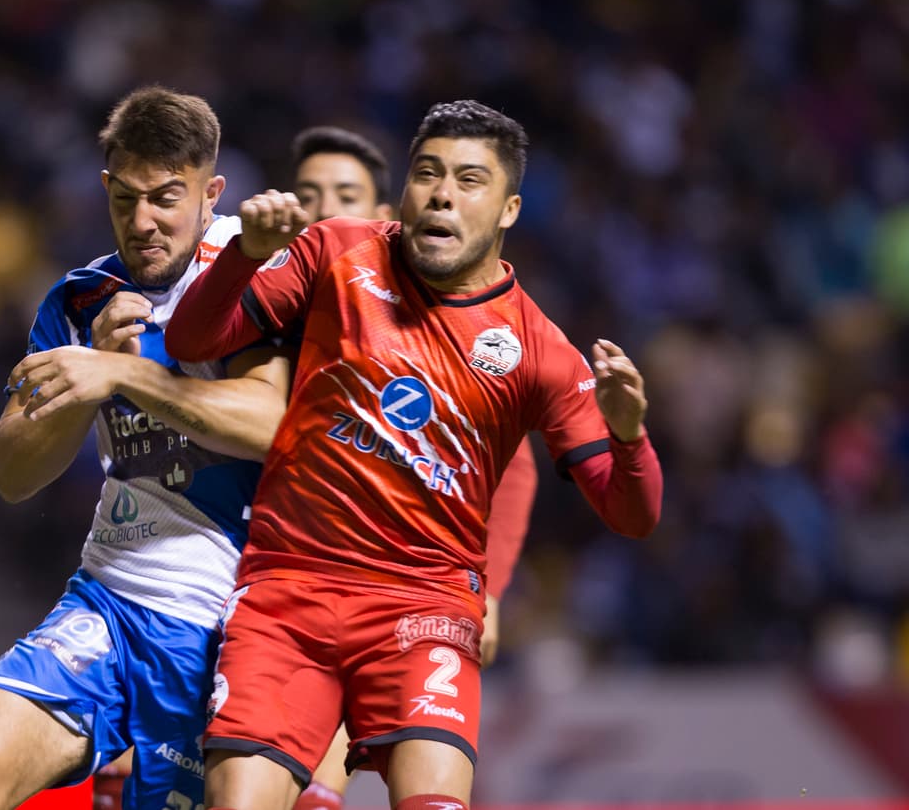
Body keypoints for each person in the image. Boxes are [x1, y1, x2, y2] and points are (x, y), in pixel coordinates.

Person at [166, 99, 663, 810]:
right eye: (427, 173)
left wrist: (629, 432)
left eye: (468, 180)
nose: (441, 193)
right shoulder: (336, 252)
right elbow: (191, 340)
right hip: (288, 592)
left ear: (509, 209)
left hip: (422, 607)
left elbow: (631, 511)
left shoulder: (541, 351)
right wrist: (244, 255)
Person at [0, 86, 294, 810]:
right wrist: (88, 377)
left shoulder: (253, 273)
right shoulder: (81, 298)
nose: (144, 221)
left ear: (212, 192)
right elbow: (10, 470)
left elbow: (271, 421)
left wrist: (127, 373)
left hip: (228, 632)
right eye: (125, 199)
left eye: (166, 197)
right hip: (110, 604)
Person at [287, 125, 538, 810]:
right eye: (307, 194)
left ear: (383, 215)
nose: (322, 211)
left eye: (343, 196)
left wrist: (489, 591)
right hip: (259, 577)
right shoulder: (268, 308)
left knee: (312, 788)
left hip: (380, 588)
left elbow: (512, 468)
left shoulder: (419, 324)